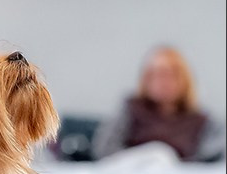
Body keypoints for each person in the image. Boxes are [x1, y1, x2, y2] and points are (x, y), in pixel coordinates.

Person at [93, 46, 225, 163]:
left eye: (170, 75)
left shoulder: (201, 121)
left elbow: (209, 159)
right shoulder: (131, 110)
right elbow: (104, 151)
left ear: (184, 80)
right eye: (155, 75)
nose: (162, 82)